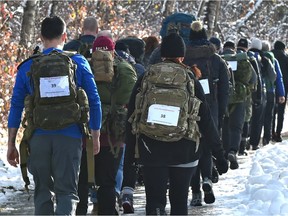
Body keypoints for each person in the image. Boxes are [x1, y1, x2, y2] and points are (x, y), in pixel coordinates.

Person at [122, 33, 228, 215]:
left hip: (151, 150)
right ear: (182, 55)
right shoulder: (190, 79)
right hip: (184, 151)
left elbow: (132, 119)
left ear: (162, 54)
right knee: (179, 202)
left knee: (154, 200)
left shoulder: (146, 77)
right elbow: (206, 120)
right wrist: (219, 154)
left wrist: (130, 162)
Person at [6, 16, 101, 215]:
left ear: (41, 37)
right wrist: (95, 135)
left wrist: (11, 143)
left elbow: (16, 106)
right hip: (71, 136)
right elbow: (94, 99)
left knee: (42, 192)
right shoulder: (78, 61)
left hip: (38, 136)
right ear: (64, 36)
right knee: (66, 192)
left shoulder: (28, 66)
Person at [183, 20, 230, 206]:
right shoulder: (216, 59)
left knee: (193, 148)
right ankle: (207, 179)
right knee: (208, 146)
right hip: (212, 109)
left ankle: (195, 193)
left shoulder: (184, 58)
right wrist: (222, 111)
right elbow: (225, 89)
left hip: (189, 109)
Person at [92, 35, 137, 215]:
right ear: (113, 51)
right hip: (115, 134)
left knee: (84, 181)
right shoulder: (126, 69)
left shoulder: (86, 67)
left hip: (90, 134)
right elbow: (132, 99)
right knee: (108, 182)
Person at [64, 16, 99, 215]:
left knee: (80, 168)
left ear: (82, 28)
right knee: (97, 163)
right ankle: (98, 202)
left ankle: (80, 207)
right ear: (97, 29)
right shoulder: (103, 48)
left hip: (73, 114)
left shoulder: (70, 47)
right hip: (98, 112)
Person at [221, 40, 257, 169]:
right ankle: (233, 150)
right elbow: (253, 79)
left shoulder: (219, 59)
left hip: (223, 97)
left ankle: (224, 152)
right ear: (234, 49)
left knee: (225, 125)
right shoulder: (241, 59)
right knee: (236, 127)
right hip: (240, 97)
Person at [248, 38, 276, 150]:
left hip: (246, 91)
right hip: (260, 91)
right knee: (257, 118)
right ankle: (254, 143)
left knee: (247, 117)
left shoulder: (246, 56)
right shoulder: (264, 58)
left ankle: (243, 140)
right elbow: (273, 76)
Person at [261, 40, 285, 145]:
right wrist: (282, 93)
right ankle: (270, 135)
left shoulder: (258, 58)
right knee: (271, 115)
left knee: (258, 115)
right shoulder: (274, 60)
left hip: (260, 90)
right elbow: (278, 78)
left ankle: (254, 137)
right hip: (272, 90)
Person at [271, 40, 288, 142]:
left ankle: (271, 131)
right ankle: (278, 133)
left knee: (271, 111)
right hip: (283, 88)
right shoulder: (285, 58)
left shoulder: (269, 56)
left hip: (271, 87)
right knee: (281, 112)